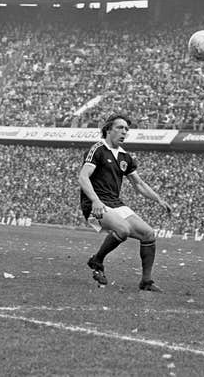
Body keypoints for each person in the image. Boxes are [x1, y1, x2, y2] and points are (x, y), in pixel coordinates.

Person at [78, 114, 173, 292]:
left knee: (148, 234)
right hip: (95, 203)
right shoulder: (97, 149)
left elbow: (138, 184)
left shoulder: (125, 156)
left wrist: (159, 199)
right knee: (123, 229)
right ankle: (97, 260)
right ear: (108, 129)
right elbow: (83, 177)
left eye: (126, 129)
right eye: (120, 128)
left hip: (115, 203)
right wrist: (95, 201)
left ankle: (146, 281)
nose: (124, 132)